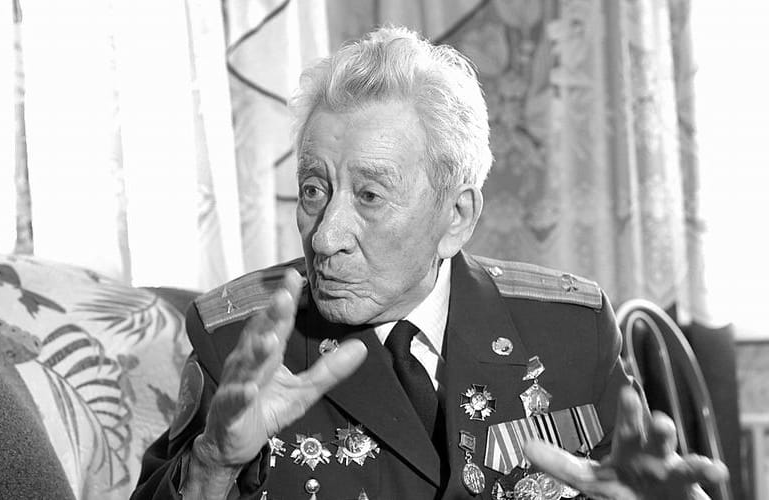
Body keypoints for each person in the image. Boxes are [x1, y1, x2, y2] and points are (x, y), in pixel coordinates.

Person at [132, 26, 727, 500]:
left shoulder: (569, 330)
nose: (326, 237)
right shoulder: (239, 343)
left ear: (457, 216)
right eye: (314, 190)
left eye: (370, 195)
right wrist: (212, 464)